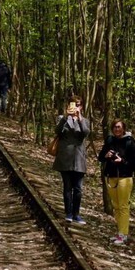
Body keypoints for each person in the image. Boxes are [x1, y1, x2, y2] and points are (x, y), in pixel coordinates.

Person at [98, 120, 135, 245]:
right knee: (115, 206)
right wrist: (106, 155)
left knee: (123, 206)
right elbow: (100, 157)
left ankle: (124, 234)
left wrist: (122, 161)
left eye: (119, 127)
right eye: (115, 127)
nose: (116, 129)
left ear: (123, 129)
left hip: (124, 177)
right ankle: (119, 232)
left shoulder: (129, 141)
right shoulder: (110, 140)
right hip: (111, 176)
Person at [52, 96, 91, 224]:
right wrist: (65, 117)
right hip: (65, 157)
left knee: (78, 189)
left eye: (78, 105)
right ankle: (68, 213)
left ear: (81, 107)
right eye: (73, 104)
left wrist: (79, 118)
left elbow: (85, 132)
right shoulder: (62, 118)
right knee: (67, 187)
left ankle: (76, 214)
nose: (76, 107)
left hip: (79, 158)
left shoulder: (84, 120)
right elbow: (57, 131)